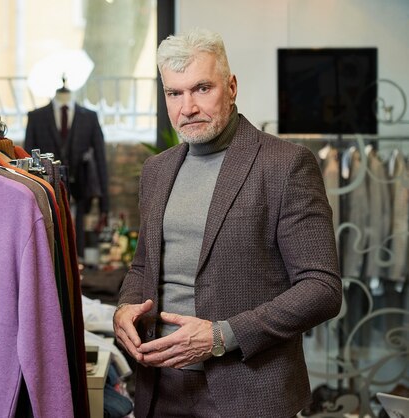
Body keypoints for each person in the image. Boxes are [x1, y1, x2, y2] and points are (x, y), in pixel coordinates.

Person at [113, 28, 342, 418]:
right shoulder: (156, 169)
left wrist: (222, 336)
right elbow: (142, 267)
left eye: (202, 88)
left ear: (231, 86)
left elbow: (322, 289)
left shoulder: (285, 165)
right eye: (174, 93)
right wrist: (125, 307)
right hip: (159, 390)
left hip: (249, 393)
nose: (187, 107)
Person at [24, 81, 109, 259]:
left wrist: (104, 206)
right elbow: (28, 158)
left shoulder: (90, 117)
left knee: (78, 242)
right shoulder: (36, 117)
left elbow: (101, 159)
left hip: (82, 187)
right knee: (51, 240)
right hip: (47, 190)